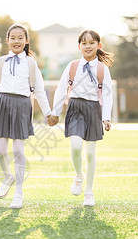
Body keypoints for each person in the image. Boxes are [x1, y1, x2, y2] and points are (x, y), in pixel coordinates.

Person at [0, 24, 52, 208]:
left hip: (22, 106)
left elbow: (40, 90)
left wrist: (48, 113)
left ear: (26, 41)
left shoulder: (31, 63)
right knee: (1, 151)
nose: (16, 41)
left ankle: (19, 193)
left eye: (20, 38)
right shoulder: (1, 61)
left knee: (19, 151)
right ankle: (7, 177)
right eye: (13, 38)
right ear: (7, 41)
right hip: (2, 104)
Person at [48, 29, 114, 207]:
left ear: (98, 45)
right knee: (76, 146)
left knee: (91, 153)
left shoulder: (102, 69)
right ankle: (79, 175)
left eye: (91, 43)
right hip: (75, 108)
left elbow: (107, 95)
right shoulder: (72, 66)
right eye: (84, 43)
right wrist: (55, 112)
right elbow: (62, 90)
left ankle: (89, 192)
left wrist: (106, 117)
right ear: (79, 46)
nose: (88, 46)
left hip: (93, 109)